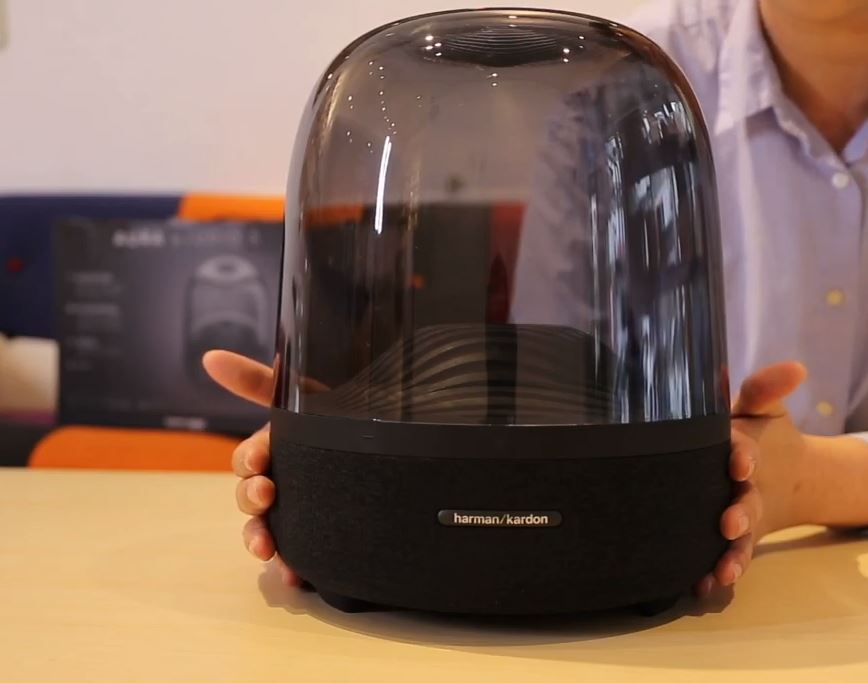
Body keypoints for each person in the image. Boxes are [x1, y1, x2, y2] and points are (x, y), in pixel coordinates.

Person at [203, 0, 868, 598]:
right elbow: (553, 380)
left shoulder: (641, 77)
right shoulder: (613, 85)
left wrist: (804, 478)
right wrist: (349, 431)